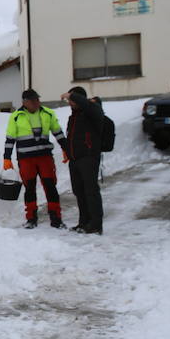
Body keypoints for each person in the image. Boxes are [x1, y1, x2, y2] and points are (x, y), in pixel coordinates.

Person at [3, 89, 69, 228]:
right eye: (33, 101)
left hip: (45, 158)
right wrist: (7, 158)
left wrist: (66, 148)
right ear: (25, 102)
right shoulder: (16, 116)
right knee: (30, 188)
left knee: (50, 187)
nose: (36, 103)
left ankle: (56, 219)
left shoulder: (48, 113)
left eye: (37, 100)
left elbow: (58, 133)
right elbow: (10, 139)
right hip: (26, 160)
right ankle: (31, 219)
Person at [61, 86, 104, 234]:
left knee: (91, 191)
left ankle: (96, 224)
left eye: (71, 99)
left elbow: (87, 105)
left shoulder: (92, 112)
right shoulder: (74, 116)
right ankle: (84, 222)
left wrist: (72, 96)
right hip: (75, 159)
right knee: (79, 191)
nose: (69, 102)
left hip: (89, 157)